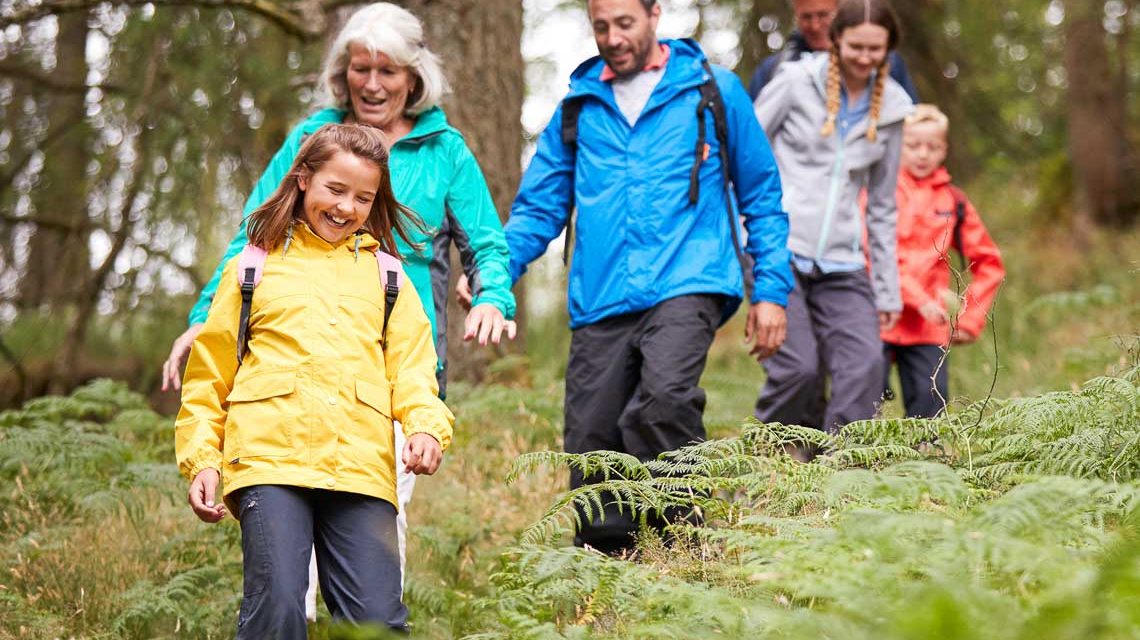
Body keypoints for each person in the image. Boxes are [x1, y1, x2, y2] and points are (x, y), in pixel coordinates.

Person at [160, 1, 511, 607]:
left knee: (373, 543)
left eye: (388, 71)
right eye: (360, 68)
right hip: (290, 374)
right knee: (290, 565)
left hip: (391, 372)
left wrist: (493, 296)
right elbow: (252, 238)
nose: (372, 83)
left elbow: (486, 240)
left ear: (413, 77)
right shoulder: (311, 139)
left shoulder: (443, 150)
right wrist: (200, 322)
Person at [501, 0, 793, 555]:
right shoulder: (579, 105)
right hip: (603, 292)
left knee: (664, 400)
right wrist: (495, 274)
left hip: (690, 275)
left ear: (655, 14)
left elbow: (761, 195)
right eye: (601, 26)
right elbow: (538, 208)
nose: (613, 37)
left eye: (625, 23)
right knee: (591, 439)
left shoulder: (713, 90)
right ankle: (609, 567)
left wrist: (771, 291)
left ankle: (684, 546)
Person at [176, 123, 453, 637]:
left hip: (361, 467)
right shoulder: (252, 268)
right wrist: (202, 459)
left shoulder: (388, 276)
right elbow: (209, 376)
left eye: (363, 197)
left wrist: (424, 427)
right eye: (335, 189)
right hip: (268, 460)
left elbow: (414, 370)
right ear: (303, 179)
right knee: (278, 604)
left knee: (377, 620)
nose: (347, 207)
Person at [753, 0, 913, 435]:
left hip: (842, 261)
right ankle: (769, 461)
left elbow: (881, 207)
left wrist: (887, 292)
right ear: (836, 41)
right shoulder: (793, 82)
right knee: (799, 370)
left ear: (888, 50)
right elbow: (745, 154)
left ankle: (839, 477)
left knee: (865, 365)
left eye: (875, 49)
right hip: (778, 249)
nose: (864, 57)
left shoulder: (895, 108)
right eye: (855, 46)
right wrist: (739, 234)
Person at [882, 104, 1004, 418]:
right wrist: (917, 298)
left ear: (944, 149)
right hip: (877, 319)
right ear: (899, 145)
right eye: (913, 145)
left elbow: (989, 263)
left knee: (929, 417)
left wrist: (970, 319)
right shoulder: (879, 190)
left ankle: (925, 462)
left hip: (929, 327)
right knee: (860, 412)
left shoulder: (954, 200)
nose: (923, 154)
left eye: (932, 147)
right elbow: (871, 254)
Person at [747, 0, 918, 103]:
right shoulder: (776, 69)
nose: (815, 25)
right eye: (806, 17)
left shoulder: (883, 62)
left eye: (823, 15)